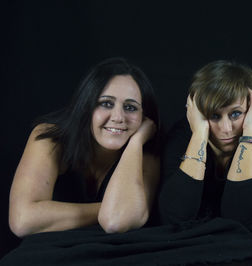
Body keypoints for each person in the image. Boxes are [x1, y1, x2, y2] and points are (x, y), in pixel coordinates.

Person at [9, 57, 160, 237]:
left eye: (130, 107)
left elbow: (117, 221)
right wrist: (109, 209)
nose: (118, 117)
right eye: (106, 103)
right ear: (86, 107)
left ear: (145, 117)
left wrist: (136, 143)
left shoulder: (146, 153)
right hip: (49, 252)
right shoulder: (50, 137)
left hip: (111, 254)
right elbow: (22, 221)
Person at [158, 60, 252, 224]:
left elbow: (243, 219)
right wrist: (200, 132)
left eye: (236, 114)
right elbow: (174, 216)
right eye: (214, 116)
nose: (226, 128)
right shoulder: (182, 134)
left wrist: (250, 134)